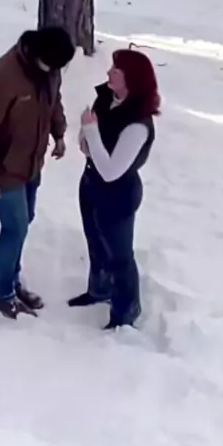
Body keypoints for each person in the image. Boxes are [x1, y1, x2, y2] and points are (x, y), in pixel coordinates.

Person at [0, 26, 75, 319]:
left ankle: (12, 282)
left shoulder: (50, 70)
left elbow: (53, 101)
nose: (56, 72)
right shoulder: (0, 79)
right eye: (52, 66)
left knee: (24, 222)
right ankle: (0, 294)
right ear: (38, 54)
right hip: (4, 170)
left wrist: (59, 133)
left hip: (31, 164)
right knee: (15, 227)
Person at [69, 47, 160, 330]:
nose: (108, 72)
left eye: (115, 70)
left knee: (119, 256)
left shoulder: (137, 124)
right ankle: (99, 289)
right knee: (95, 243)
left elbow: (111, 171)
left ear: (131, 79)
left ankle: (125, 310)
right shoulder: (107, 98)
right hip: (90, 183)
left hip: (117, 196)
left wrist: (91, 133)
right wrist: (85, 137)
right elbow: (89, 143)